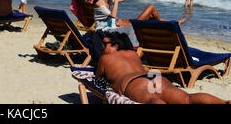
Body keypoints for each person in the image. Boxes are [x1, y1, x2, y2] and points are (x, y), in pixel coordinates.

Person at [95, 32, 229, 104]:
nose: (102, 47)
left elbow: (98, 78)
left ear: (116, 46)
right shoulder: (133, 54)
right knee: (186, 99)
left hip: (134, 83)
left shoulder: (105, 58)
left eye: (104, 44)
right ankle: (223, 102)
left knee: (151, 100)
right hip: (153, 77)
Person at [95, 0, 185, 32]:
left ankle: (173, 23)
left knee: (151, 17)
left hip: (117, 24)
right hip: (108, 30)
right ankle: (172, 23)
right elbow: (113, 15)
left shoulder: (110, 1)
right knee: (151, 7)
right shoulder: (100, 3)